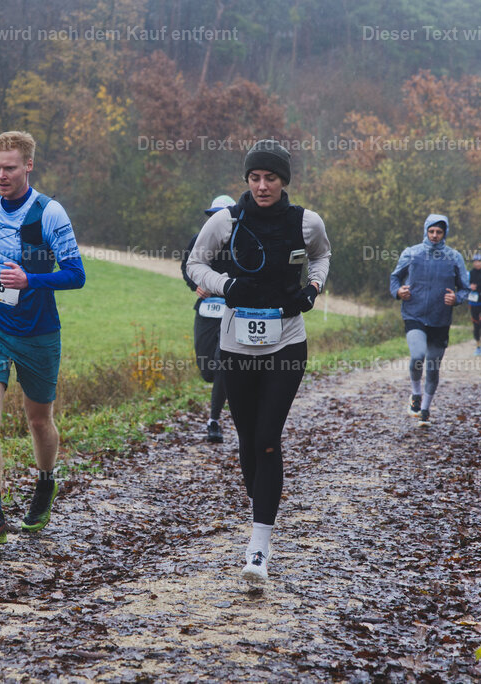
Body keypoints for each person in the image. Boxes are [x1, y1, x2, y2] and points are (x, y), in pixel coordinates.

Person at [186, 140, 330, 583]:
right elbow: (194, 263)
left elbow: (322, 255)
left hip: (286, 344)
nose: (262, 185)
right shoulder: (226, 221)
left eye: (270, 178)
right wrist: (224, 285)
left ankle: (259, 545)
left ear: (284, 181)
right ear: (246, 181)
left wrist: (313, 287)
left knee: (268, 438)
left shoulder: (306, 222)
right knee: (247, 440)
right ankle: (261, 512)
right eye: (255, 178)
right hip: (236, 345)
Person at [0, 130, 86, 547]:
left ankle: (45, 482)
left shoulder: (50, 214)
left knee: (38, 419)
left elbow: (76, 275)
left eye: (9, 167)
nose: (1, 175)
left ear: (28, 165)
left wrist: (31, 279)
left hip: (38, 334)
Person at [389, 214, 470, 427]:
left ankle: (425, 409)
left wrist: (457, 299)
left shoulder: (454, 257)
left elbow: (465, 288)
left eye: (439, 232)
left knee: (433, 366)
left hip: (440, 317)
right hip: (414, 313)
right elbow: (395, 277)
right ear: (426, 231)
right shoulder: (412, 253)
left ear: (445, 234)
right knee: (417, 355)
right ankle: (415, 395)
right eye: (431, 231)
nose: (434, 235)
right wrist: (398, 291)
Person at [181, 194, 236, 443]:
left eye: (222, 216)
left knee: (222, 361)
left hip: (233, 311)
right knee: (207, 370)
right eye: (213, 216)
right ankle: (228, 385)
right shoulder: (198, 240)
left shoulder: (240, 242)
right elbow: (186, 267)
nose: (216, 220)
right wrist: (196, 285)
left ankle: (213, 421)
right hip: (205, 309)